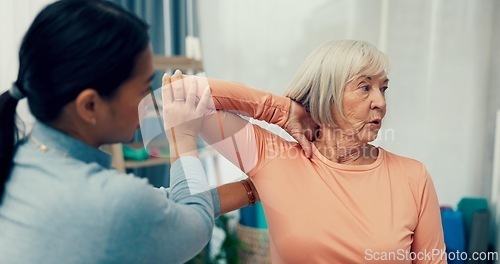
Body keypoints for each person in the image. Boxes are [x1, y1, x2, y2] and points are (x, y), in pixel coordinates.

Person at [0, 1, 260, 263]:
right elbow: (192, 225)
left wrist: (256, 186)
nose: (151, 101)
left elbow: (161, 207)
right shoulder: (110, 203)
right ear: (90, 106)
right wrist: (182, 138)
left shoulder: (23, 158)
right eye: (144, 88)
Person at [174, 40, 446, 263]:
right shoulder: (275, 160)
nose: (381, 102)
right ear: (325, 95)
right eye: (365, 87)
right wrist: (281, 110)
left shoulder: (413, 176)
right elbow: (180, 92)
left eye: (383, 88)